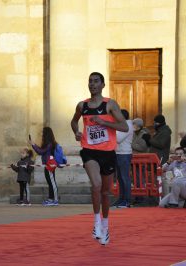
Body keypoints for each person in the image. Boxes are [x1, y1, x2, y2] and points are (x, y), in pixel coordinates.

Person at [70, 72, 128, 246]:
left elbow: (124, 127)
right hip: (89, 150)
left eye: (96, 81)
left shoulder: (110, 104)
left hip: (108, 152)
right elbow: (73, 121)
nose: (92, 84)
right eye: (90, 81)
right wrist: (76, 132)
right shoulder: (82, 105)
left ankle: (105, 225)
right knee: (96, 185)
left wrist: (104, 123)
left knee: (105, 191)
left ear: (103, 85)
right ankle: (96, 223)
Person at [29, 127, 60, 207]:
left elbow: (41, 151)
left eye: (43, 132)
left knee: (52, 182)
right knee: (50, 182)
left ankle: (55, 200)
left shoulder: (50, 143)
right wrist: (34, 145)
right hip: (47, 164)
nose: (41, 134)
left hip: (50, 164)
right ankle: (50, 199)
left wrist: (33, 145)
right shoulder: (48, 143)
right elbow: (41, 151)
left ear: (46, 134)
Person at [113, 109, 133, 208]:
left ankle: (127, 200)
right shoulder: (121, 125)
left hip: (124, 154)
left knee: (125, 178)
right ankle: (121, 199)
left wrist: (111, 129)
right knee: (120, 178)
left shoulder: (127, 125)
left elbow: (118, 139)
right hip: (118, 153)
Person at [131, 118, 150, 204]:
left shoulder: (144, 134)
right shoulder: (133, 133)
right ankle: (137, 198)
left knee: (141, 179)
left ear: (138, 125)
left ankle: (142, 198)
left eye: (133, 124)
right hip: (133, 159)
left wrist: (131, 144)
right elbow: (137, 145)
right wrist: (135, 145)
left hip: (141, 159)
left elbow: (142, 147)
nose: (132, 126)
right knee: (135, 179)